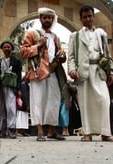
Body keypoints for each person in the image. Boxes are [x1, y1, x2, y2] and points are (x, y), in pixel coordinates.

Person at [67, 5, 113, 142]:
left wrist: (111, 70)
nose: (88, 19)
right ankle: (87, 133)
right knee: (85, 104)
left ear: (93, 17)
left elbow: (107, 54)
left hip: (99, 70)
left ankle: (106, 133)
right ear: (81, 19)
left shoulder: (101, 34)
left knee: (104, 100)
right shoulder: (75, 36)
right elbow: (70, 56)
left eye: (90, 16)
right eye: (85, 17)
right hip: (83, 72)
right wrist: (72, 70)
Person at [20, 7, 66, 141]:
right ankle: (40, 131)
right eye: (45, 17)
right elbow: (23, 52)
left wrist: (62, 56)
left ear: (52, 19)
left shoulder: (56, 37)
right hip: (37, 72)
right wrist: (39, 45)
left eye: (49, 18)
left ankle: (52, 130)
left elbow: (59, 56)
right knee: (37, 100)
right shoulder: (32, 33)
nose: (47, 20)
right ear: (40, 19)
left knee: (54, 100)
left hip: (53, 71)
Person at [0, 39, 22, 138]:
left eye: (8, 47)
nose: (7, 48)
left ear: (11, 48)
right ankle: (1, 130)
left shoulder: (16, 60)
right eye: (5, 47)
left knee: (11, 108)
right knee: (0, 109)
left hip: (11, 87)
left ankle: (11, 130)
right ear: (2, 49)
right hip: (0, 87)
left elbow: (19, 75)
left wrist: (19, 88)